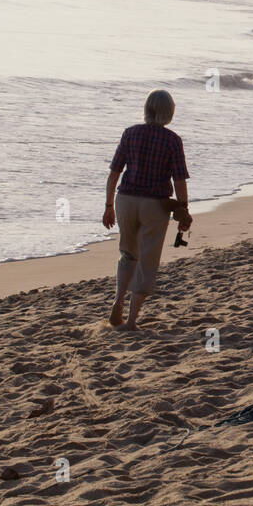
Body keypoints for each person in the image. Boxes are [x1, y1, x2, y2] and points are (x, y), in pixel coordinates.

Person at [103, 89, 191, 330]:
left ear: (146, 109)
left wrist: (109, 206)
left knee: (127, 253)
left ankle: (118, 300)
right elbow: (179, 180)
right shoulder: (172, 140)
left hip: (126, 200)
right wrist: (184, 210)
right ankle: (131, 321)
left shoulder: (130, 134)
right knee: (147, 261)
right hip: (154, 204)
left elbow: (114, 172)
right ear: (169, 113)